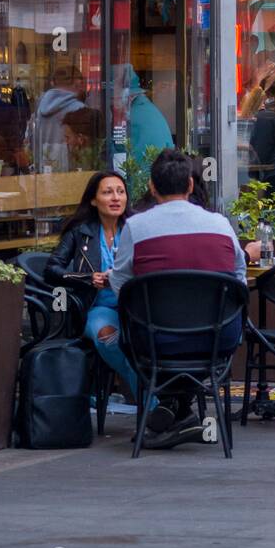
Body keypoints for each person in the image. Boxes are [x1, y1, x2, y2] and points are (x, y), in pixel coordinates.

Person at [110, 150, 248, 449]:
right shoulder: (221, 225)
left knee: (126, 334)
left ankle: (174, 405)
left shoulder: (136, 227)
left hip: (155, 338)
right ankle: (180, 410)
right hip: (217, 337)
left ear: (151, 187)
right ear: (189, 185)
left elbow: (120, 280)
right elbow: (239, 275)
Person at [46, 171, 138, 404]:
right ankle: (154, 405)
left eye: (120, 191)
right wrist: (87, 278)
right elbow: (52, 269)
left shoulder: (136, 228)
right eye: (107, 192)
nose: (115, 198)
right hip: (95, 308)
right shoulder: (81, 232)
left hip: (135, 307)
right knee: (107, 335)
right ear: (93, 200)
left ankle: (162, 402)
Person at [27, 66, 86, 173]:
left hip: (42, 168)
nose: (83, 87)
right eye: (81, 82)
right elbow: (85, 148)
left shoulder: (39, 106)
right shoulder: (79, 108)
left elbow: (32, 139)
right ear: (75, 83)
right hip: (71, 171)